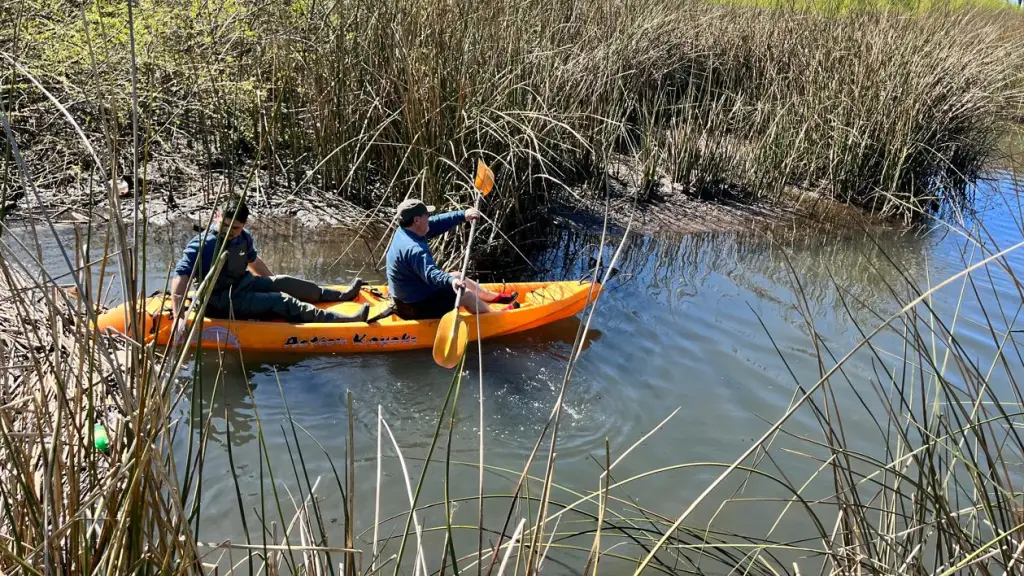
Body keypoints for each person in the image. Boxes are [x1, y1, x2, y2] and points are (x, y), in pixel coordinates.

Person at [169, 196, 369, 324]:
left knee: (285, 283)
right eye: (226, 225)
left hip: (243, 285)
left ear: (244, 225)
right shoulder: (204, 244)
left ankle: (341, 296)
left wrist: (274, 283)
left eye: (235, 228)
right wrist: (179, 319)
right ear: (218, 217)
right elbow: (180, 277)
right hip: (221, 302)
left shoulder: (244, 236)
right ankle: (344, 321)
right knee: (280, 300)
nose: (230, 232)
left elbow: (254, 263)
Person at [385, 198, 518, 320]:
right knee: (466, 294)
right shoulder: (414, 249)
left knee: (458, 275)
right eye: (426, 215)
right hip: (415, 307)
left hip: (412, 295)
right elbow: (431, 274)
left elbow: (436, 222)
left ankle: (495, 298)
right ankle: (496, 317)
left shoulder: (406, 230)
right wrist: (451, 281)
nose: (429, 218)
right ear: (417, 220)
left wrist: (463, 215)